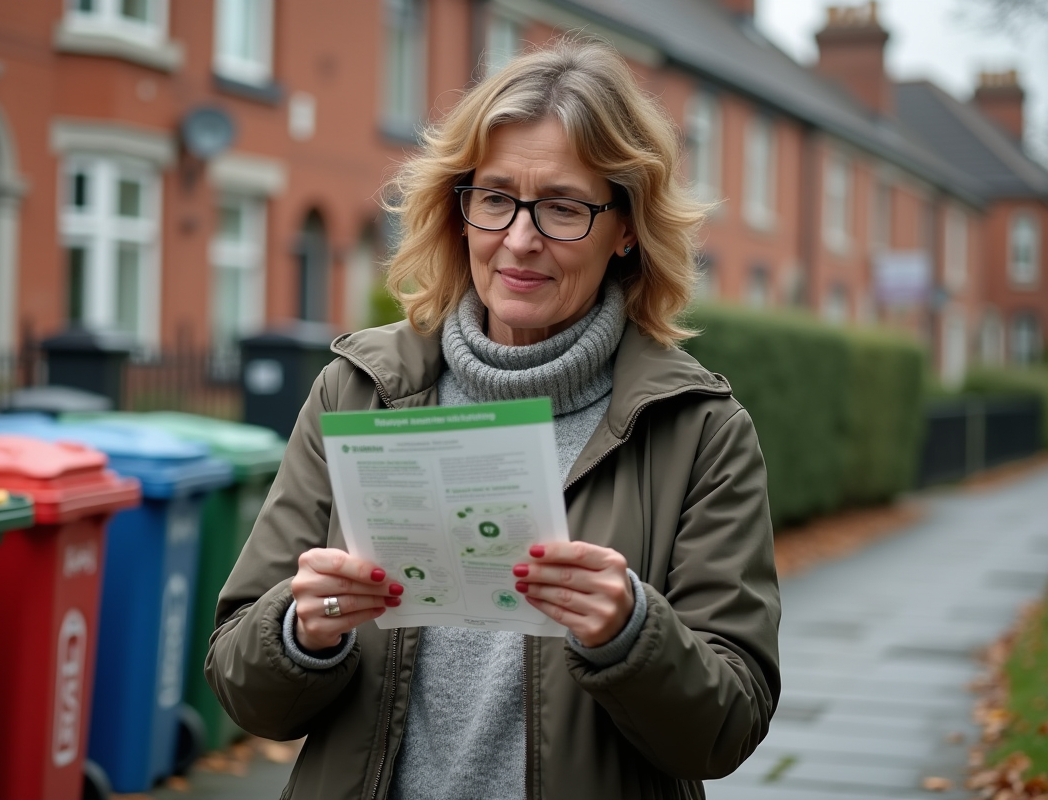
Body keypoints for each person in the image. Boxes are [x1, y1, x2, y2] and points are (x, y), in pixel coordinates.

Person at [206, 36, 780, 800]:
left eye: (564, 208)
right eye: (496, 197)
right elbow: (243, 685)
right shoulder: (358, 389)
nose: (519, 240)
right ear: (462, 206)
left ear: (628, 227)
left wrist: (633, 631)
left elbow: (728, 726)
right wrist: (301, 629)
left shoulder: (698, 429)